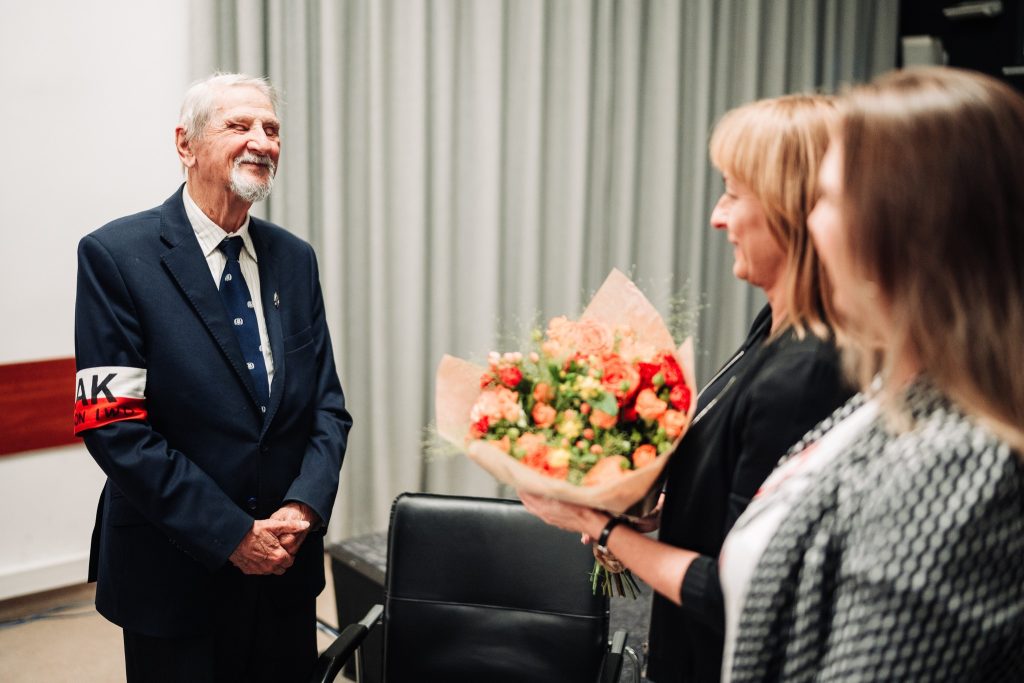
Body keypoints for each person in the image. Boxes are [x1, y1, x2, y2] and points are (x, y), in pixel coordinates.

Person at [519, 94, 852, 682]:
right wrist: (659, 512)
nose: (717, 217)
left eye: (734, 194)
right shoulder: (773, 327)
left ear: (791, 209)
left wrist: (598, 525)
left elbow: (737, 594)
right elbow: (742, 514)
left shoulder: (806, 375)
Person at [721, 67, 1024, 681]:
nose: (808, 222)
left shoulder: (956, 465)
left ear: (900, 231)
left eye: (827, 199)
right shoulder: (898, 395)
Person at [73, 73, 353, 682]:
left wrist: (303, 507)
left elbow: (327, 407)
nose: (262, 141)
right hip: (173, 573)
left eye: (271, 128)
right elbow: (115, 428)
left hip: (284, 569)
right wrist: (231, 534)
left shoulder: (295, 259)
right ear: (186, 144)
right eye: (239, 125)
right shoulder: (115, 256)